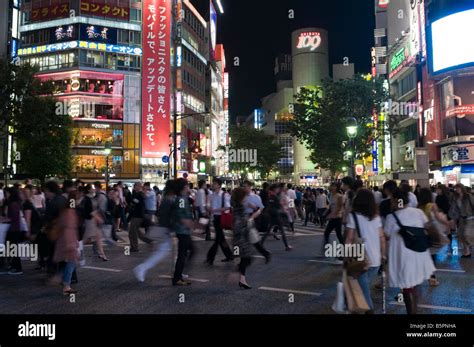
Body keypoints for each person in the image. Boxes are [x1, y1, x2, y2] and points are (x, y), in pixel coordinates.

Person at [384, 188, 436, 314]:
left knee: (407, 287)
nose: (391, 202)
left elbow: (386, 235)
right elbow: (427, 227)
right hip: (419, 253)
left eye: (392, 200)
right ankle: (414, 310)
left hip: (404, 255)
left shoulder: (391, 217)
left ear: (397, 201)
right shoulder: (418, 212)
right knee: (413, 285)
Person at [345, 189, 386, 312]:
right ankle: (359, 308)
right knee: (362, 287)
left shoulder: (353, 217)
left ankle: (368, 310)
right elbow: (382, 237)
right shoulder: (376, 217)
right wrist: (383, 254)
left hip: (360, 260)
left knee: (362, 290)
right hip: (375, 261)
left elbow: (349, 238)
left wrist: (346, 256)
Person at [134, 180, 175, 282]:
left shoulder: (167, 198)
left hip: (166, 229)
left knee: (167, 251)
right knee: (161, 252)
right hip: (166, 229)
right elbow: (164, 215)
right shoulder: (168, 200)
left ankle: (178, 271)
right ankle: (142, 267)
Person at [418, 187, 450, 287]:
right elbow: (438, 218)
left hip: (420, 234)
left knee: (423, 256)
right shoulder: (432, 205)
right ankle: (432, 278)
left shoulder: (418, 206)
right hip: (430, 234)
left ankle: (424, 277)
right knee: (431, 257)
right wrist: (448, 223)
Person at [53, 190, 80, 295]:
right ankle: (64, 284)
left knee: (71, 262)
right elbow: (69, 229)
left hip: (66, 240)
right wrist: (71, 243)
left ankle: (61, 280)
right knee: (72, 262)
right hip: (68, 241)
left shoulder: (68, 211)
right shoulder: (70, 212)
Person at [171, 178, 196, 286]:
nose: (188, 187)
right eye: (187, 185)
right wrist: (190, 224)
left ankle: (180, 274)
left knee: (189, 251)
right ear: (183, 187)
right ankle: (177, 277)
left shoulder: (184, 198)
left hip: (184, 231)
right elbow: (180, 215)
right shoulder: (181, 199)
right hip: (182, 231)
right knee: (183, 254)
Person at [232, 187, 257, 289]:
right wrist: (248, 221)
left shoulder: (238, 206)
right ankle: (238, 275)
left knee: (244, 258)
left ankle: (242, 279)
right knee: (247, 258)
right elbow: (238, 223)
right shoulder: (239, 207)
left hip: (240, 238)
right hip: (240, 238)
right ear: (242, 197)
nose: (247, 198)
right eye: (245, 196)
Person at [205, 178, 234, 265]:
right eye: (213, 183)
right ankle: (229, 255)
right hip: (215, 218)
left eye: (214, 183)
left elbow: (227, 207)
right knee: (220, 239)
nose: (212, 185)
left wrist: (215, 210)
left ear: (219, 185)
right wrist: (209, 208)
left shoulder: (224, 195)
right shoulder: (211, 195)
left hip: (221, 217)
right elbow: (208, 205)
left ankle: (210, 257)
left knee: (218, 239)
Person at [242, 181, 271, 263]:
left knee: (250, 240)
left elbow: (260, 209)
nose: (244, 188)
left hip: (251, 218)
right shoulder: (242, 197)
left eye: (246, 187)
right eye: (243, 187)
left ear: (250, 187)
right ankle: (239, 256)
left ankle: (242, 258)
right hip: (242, 218)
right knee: (247, 240)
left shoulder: (256, 197)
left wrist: (253, 208)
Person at [261, 184, 292, 251]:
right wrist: (281, 205)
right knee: (281, 231)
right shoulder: (273, 196)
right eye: (277, 188)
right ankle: (286, 246)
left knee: (268, 231)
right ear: (274, 189)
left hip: (272, 215)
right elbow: (277, 205)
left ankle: (261, 244)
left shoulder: (271, 195)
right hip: (276, 215)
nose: (278, 189)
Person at [0, 187, 24, 275]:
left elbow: (12, 218)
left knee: (13, 248)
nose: (6, 194)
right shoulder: (14, 203)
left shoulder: (13, 204)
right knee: (12, 248)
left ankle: (17, 267)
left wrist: (2, 220)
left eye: (6, 193)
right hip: (13, 228)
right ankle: (14, 266)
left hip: (13, 229)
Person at [81, 184, 107, 261]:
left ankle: (102, 254)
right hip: (90, 221)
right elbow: (89, 211)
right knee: (87, 239)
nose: (94, 189)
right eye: (92, 188)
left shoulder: (92, 197)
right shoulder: (87, 198)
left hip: (93, 220)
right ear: (89, 190)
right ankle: (76, 249)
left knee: (98, 238)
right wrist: (98, 218)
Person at [449, 183, 473, 258]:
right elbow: (454, 209)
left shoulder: (468, 196)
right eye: (456, 188)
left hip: (470, 218)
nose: (457, 190)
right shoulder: (455, 198)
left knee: (467, 234)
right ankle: (467, 252)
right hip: (462, 218)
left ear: (462, 188)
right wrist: (453, 219)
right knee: (461, 235)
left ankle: (470, 246)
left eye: (458, 188)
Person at [128, 182, 152, 252]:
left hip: (137, 216)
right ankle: (149, 241)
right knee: (137, 232)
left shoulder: (139, 194)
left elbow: (134, 203)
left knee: (132, 233)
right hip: (139, 215)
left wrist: (131, 203)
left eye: (135, 186)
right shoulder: (140, 194)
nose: (134, 187)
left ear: (138, 186)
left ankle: (134, 247)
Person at [324, 182, 344, 247]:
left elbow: (339, 207)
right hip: (333, 217)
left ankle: (344, 249)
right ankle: (326, 248)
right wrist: (326, 213)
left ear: (337, 187)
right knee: (328, 233)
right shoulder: (331, 195)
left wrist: (330, 215)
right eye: (332, 186)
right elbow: (330, 207)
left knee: (338, 234)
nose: (332, 187)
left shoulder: (339, 196)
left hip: (337, 218)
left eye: (334, 186)